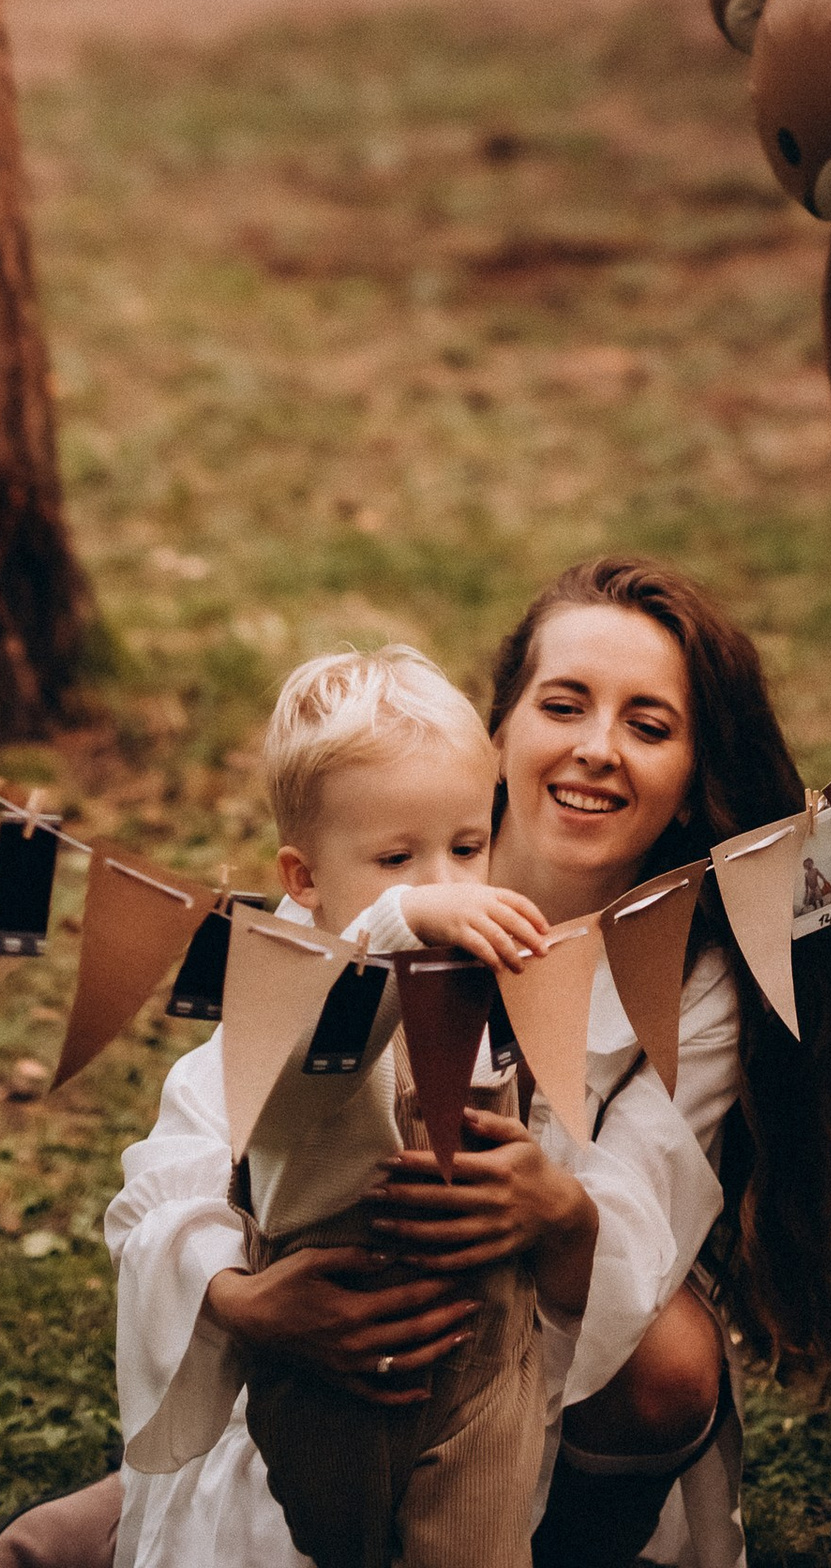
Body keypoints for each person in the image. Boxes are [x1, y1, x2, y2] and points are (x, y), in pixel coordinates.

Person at [0, 555, 831, 1568]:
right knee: (81, 1543)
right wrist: (242, 1303)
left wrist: (556, 1211)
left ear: (692, 785)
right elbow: (206, 1122)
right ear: (499, 733)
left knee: (673, 1361)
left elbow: (651, 1204)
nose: (597, 749)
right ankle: (178, 1497)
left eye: (648, 726)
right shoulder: (372, 873)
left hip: (532, 1353)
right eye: (563, 705)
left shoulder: (698, 968)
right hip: (327, 1321)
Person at [233, 645, 584, 1568]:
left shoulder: (476, 966)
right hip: (336, 1364)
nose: (447, 887)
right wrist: (395, 930)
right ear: (304, 879)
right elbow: (302, 1077)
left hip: (485, 1348)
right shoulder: (290, 984)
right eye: (397, 859)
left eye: (467, 848)